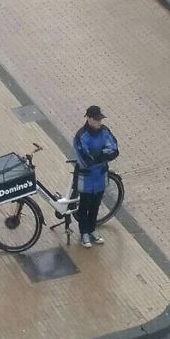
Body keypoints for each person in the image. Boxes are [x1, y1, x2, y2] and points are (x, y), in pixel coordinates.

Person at [73, 105, 119, 248]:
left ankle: (92, 229)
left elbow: (115, 150)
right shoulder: (81, 136)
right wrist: (103, 156)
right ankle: (84, 233)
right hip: (86, 177)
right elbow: (85, 159)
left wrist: (97, 156)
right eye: (97, 119)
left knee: (96, 204)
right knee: (84, 205)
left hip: (99, 175)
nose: (99, 122)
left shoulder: (104, 131)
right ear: (89, 118)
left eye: (100, 119)